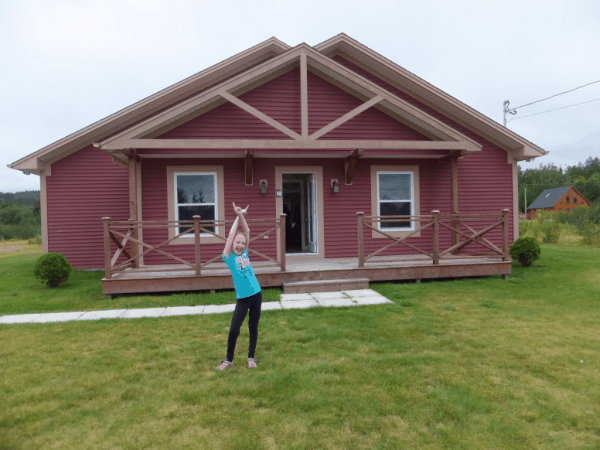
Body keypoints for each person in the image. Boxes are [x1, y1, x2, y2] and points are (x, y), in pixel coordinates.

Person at [216, 203, 262, 371]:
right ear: (232, 243)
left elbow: (247, 231)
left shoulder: (245, 253)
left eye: (242, 243)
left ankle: (251, 358)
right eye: (238, 242)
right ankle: (229, 359)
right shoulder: (228, 257)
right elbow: (230, 235)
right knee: (234, 329)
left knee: (253, 327)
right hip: (242, 298)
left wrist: (241, 215)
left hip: (256, 294)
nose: (241, 245)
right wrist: (237, 215)